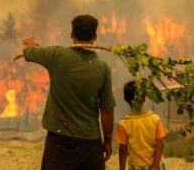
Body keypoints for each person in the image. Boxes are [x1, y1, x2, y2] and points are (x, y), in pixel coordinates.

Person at [22, 14, 116, 170]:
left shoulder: (56, 55)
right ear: (95, 36)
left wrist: (30, 44)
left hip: (59, 141)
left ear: (72, 34)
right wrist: (107, 141)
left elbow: (28, 52)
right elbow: (106, 110)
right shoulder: (103, 67)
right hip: (90, 142)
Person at [116, 80, 168, 170]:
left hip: (136, 167)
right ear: (144, 98)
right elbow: (160, 144)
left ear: (125, 99)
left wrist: (122, 168)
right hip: (155, 165)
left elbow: (123, 150)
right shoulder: (155, 119)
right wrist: (155, 166)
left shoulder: (123, 124)